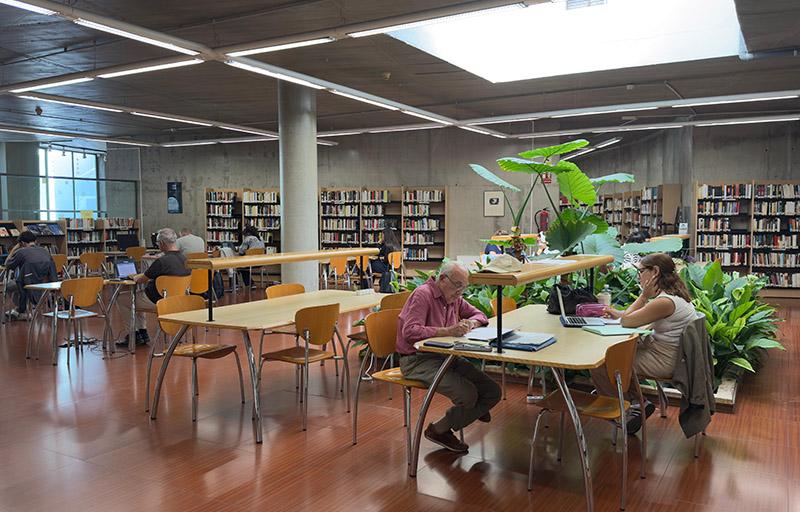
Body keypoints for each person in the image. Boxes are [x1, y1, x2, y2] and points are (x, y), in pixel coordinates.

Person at [397, 261, 501, 453]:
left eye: (464, 287)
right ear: (443, 279)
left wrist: (470, 323)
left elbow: (480, 315)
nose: (460, 292)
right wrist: (447, 331)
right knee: (468, 394)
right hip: (417, 360)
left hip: (446, 356)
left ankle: (473, 408)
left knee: (493, 391)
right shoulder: (423, 294)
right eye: (457, 285)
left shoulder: (453, 298)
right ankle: (439, 430)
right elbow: (410, 332)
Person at [591, 252, 697, 434]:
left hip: (666, 361)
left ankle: (624, 412)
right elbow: (629, 318)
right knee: (616, 358)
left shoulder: (665, 301)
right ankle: (637, 403)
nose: (638, 276)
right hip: (669, 354)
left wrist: (643, 296)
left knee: (602, 363)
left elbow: (628, 322)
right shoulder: (673, 296)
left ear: (654, 272)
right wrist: (619, 314)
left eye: (640, 271)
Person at [125, 228, 190, 345]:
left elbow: (141, 279)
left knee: (125, 300)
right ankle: (142, 332)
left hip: (158, 301)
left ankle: (134, 335)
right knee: (139, 296)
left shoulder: (162, 261)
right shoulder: (185, 259)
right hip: (179, 301)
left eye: (157, 244)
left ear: (162, 244)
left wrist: (134, 277)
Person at [3, 231, 57, 320]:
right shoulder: (45, 251)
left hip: (27, 284)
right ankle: (22, 309)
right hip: (43, 285)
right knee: (22, 282)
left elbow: (7, 264)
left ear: (22, 243)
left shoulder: (21, 252)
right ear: (35, 241)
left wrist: (14, 249)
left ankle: (22, 310)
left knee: (9, 286)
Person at [367, 227, 401, 292]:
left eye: (382, 235)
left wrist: (379, 243)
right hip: (394, 267)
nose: (381, 237)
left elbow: (378, 253)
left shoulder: (387, 246)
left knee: (369, 265)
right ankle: (368, 285)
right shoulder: (396, 245)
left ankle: (367, 286)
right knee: (371, 264)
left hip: (386, 267)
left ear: (385, 235)